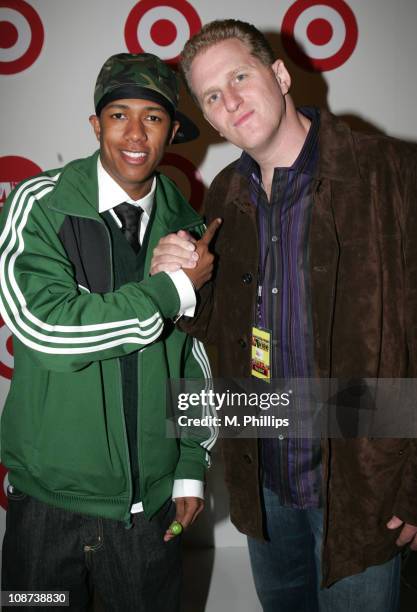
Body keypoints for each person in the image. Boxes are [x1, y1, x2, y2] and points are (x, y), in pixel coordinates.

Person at [150, 19, 417, 612]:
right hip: (266, 481)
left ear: (279, 73)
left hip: (363, 486)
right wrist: (180, 284)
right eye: (212, 96)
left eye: (239, 77)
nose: (231, 101)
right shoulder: (222, 194)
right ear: (211, 120)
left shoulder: (387, 174)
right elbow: (217, 332)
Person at [0, 52, 220, 611]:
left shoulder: (188, 229)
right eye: (118, 114)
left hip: (149, 515)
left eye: (152, 117)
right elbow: (44, 329)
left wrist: (190, 468)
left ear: (172, 130)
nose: (134, 133)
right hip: (47, 512)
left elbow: (193, 363)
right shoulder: (40, 205)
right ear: (95, 125)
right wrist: (170, 290)